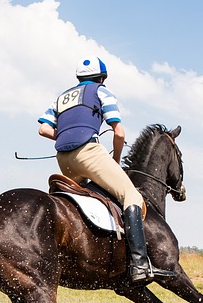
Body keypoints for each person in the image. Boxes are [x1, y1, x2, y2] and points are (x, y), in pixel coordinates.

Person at [38, 55, 175, 284]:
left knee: (83, 200)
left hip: (63, 159)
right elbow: (119, 132)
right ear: (102, 78)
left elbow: (43, 129)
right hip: (89, 154)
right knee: (131, 195)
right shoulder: (101, 92)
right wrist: (117, 159)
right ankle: (140, 263)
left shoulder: (61, 98)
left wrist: (62, 135)